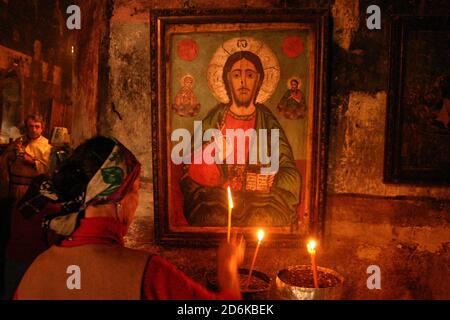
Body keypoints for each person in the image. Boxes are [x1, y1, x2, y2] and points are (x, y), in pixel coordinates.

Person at [15, 136, 244, 300]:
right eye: (134, 189)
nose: (137, 199)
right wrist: (228, 267)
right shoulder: (146, 273)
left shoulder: (38, 270)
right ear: (119, 198)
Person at [181, 51, 301, 227]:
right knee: (214, 218)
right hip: (217, 198)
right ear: (228, 80)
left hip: (261, 200)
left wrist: (268, 181)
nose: (243, 81)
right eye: (237, 75)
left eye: (250, 75)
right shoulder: (216, 117)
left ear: (259, 81)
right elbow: (189, 163)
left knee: (260, 220)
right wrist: (212, 161)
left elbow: (289, 170)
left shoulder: (266, 120)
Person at [0, 114, 53, 300]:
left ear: (42, 127)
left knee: (28, 229)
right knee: (9, 228)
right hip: (14, 189)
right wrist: (11, 154)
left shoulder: (47, 146)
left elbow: (48, 170)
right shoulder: (19, 142)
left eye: (37, 126)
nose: (33, 130)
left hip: (32, 193)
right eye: (30, 126)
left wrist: (32, 161)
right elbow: (5, 162)